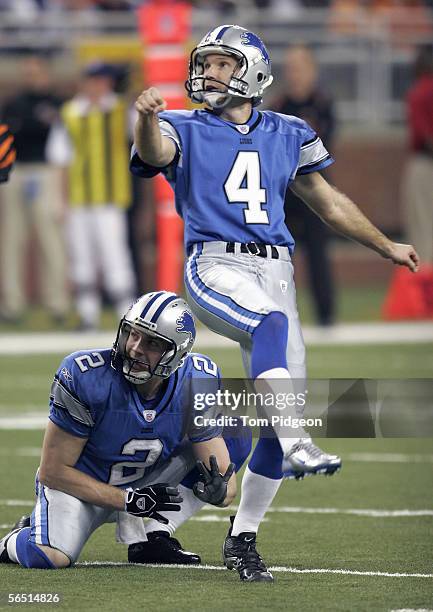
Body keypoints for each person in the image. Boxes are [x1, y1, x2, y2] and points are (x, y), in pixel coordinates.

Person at [130, 24, 419, 582]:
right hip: (215, 262)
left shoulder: (290, 131)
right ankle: (299, 441)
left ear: (253, 71)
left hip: (276, 269)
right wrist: (144, 117)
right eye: (205, 63)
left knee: (274, 404)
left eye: (221, 64)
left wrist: (385, 245)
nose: (208, 72)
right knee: (271, 333)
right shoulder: (183, 126)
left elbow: (328, 203)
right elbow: (153, 150)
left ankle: (243, 539)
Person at [0, 291, 251, 569]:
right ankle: (13, 539)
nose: (135, 348)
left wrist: (217, 493)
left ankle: (155, 537)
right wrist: (128, 500)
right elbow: (52, 472)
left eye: (153, 343)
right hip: (80, 487)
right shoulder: (86, 376)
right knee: (48, 556)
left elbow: (225, 486)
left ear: (176, 353)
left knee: (235, 430)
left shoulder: (197, 379)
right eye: (133, 333)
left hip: (146, 481)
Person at [46, 62, 136, 330]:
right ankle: (88, 315)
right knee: (82, 258)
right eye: (93, 80)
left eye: (102, 80)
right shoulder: (71, 112)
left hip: (110, 198)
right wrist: (61, 200)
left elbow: (142, 136)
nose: (97, 86)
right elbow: (60, 159)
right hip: (79, 198)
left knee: (115, 255)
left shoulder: (121, 109)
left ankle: (127, 316)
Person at [0, 55, 69, 325]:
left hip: (45, 172)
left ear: (46, 74)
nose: (31, 78)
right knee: (13, 239)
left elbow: (60, 141)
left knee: (50, 238)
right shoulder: (13, 104)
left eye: (35, 72)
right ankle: (12, 304)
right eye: (27, 73)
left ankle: (57, 303)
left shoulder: (56, 103)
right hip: (17, 172)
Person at [271, 44, 336, 326]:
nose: (295, 75)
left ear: (312, 71)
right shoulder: (279, 106)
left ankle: (326, 316)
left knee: (318, 253)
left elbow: (325, 149)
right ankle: (278, 314)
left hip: (313, 187)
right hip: (284, 191)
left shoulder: (323, 103)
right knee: (279, 257)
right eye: (290, 69)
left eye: (300, 68)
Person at [401, 45, 433, 266]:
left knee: (423, 235)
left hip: (424, 165)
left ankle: (426, 294)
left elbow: (424, 136)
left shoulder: (420, 91)